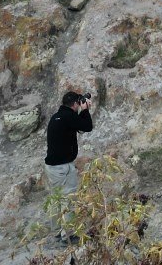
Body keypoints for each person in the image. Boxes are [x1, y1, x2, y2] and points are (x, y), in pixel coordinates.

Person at [44, 89, 93, 238]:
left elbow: (74, 124)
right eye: (79, 103)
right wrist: (85, 110)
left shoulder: (57, 116)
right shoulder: (68, 117)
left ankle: (58, 231)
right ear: (75, 104)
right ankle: (68, 235)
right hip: (63, 168)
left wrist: (82, 110)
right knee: (69, 199)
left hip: (52, 168)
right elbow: (87, 126)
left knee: (56, 199)